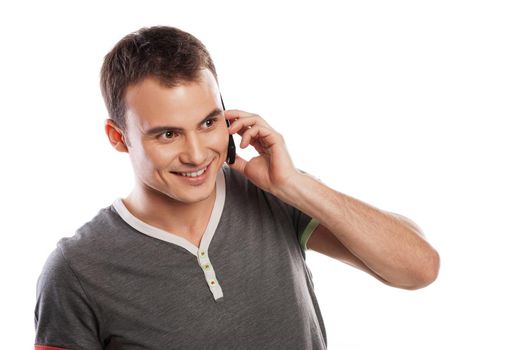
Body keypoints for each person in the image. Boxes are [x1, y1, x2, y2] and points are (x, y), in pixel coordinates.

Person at [34, 25, 440, 350]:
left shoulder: (276, 196)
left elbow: (419, 269)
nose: (196, 154)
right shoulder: (75, 269)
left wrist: (294, 184)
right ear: (118, 137)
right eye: (168, 134)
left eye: (208, 123)